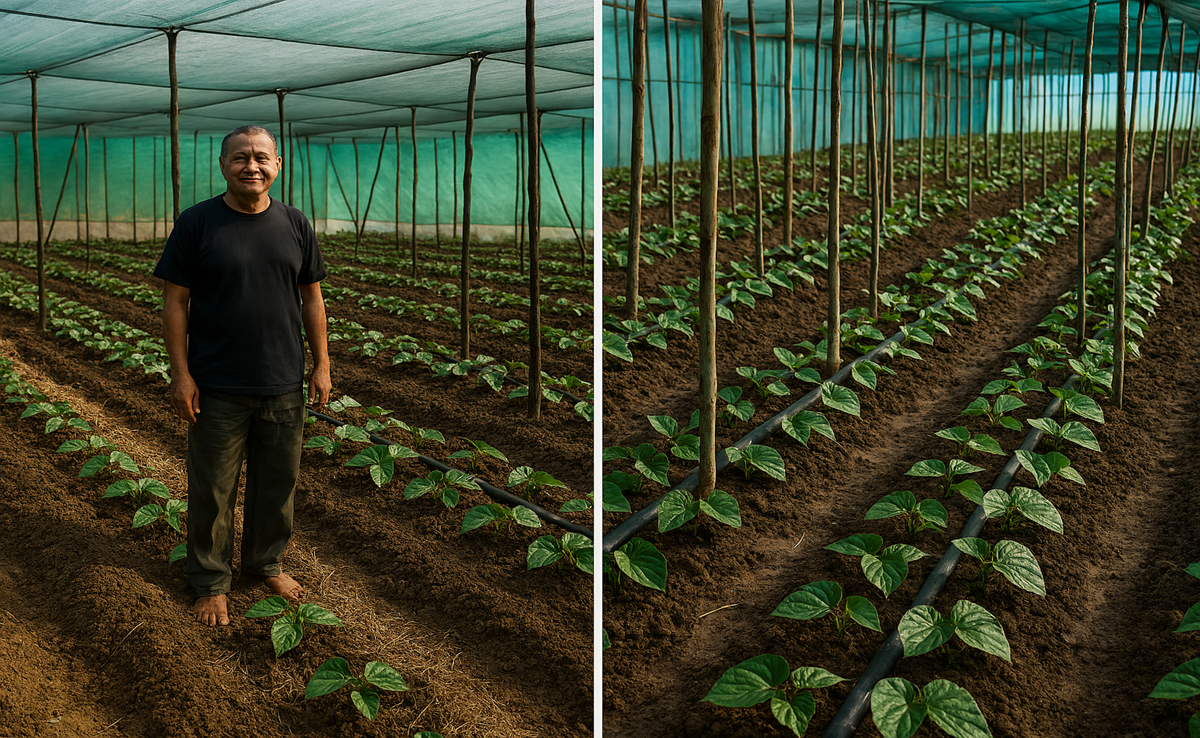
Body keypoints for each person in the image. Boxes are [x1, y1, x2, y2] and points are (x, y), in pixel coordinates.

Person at [154, 124, 331, 627]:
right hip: (216, 384)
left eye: (261, 158)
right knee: (212, 488)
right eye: (240, 158)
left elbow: (312, 298)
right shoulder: (197, 223)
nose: (251, 166)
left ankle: (265, 563)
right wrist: (181, 375)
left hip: (282, 382)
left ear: (278, 165)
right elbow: (175, 302)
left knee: (278, 484)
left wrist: (321, 363)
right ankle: (210, 582)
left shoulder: (295, 223)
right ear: (223, 164)